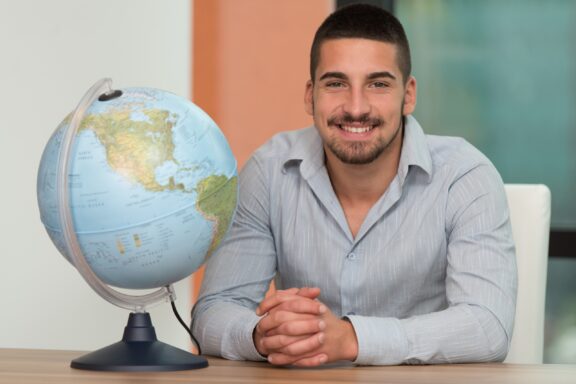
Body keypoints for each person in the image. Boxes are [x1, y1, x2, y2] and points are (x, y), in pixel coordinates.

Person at [191, 3, 516, 367]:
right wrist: (261, 334)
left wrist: (352, 338)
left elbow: (488, 328)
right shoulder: (268, 172)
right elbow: (212, 314)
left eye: (378, 84)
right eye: (336, 83)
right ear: (309, 95)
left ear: (408, 94)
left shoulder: (465, 177)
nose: (356, 107)